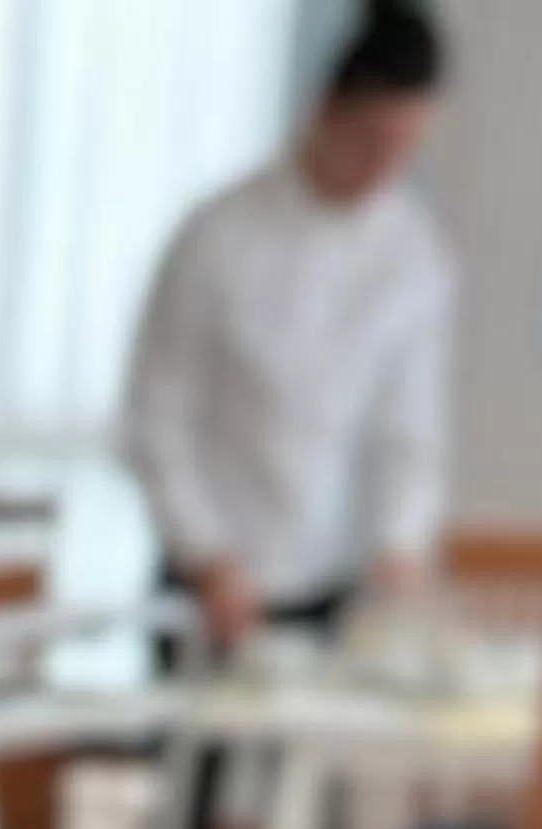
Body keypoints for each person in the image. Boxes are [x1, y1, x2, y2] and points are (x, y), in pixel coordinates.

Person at [122, 2, 454, 659]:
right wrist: (206, 555)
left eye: (404, 149)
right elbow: (153, 417)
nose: (383, 167)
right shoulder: (218, 234)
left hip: (328, 585)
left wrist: (400, 545)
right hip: (208, 578)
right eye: (372, 143)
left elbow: (410, 431)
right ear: (327, 108)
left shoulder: (416, 256)